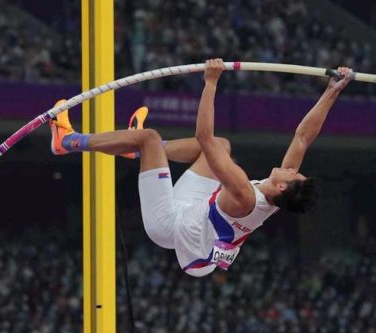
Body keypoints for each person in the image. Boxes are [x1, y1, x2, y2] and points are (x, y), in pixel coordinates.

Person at [50, 59, 353, 277]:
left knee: (150, 138)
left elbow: (202, 137)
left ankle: (68, 140)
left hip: (170, 224)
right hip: (197, 210)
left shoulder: (244, 194)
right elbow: (302, 137)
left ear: (283, 186)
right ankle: (136, 153)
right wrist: (332, 92)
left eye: (292, 173)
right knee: (222, 147)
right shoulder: (277, 195)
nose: (290, 168)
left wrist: (210, 83)